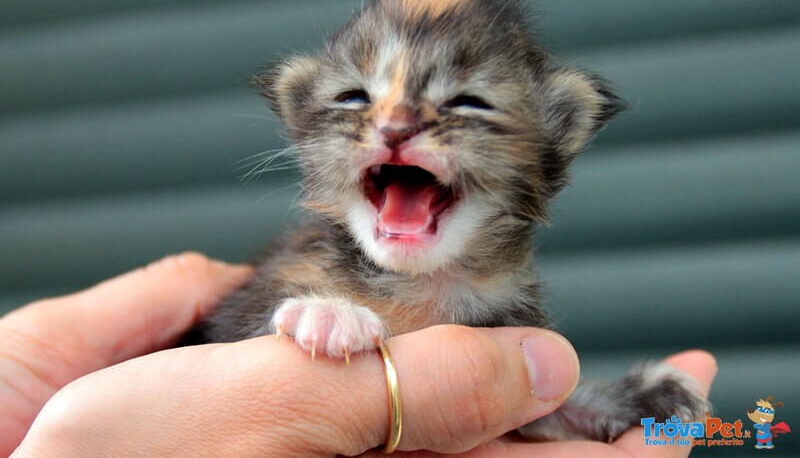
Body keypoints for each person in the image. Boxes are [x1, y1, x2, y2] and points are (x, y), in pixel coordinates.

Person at [1, 253, 716, 457]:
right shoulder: (307, 267)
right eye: (354, 99)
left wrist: (611, 408)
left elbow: (525, 421)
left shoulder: (501, 300)